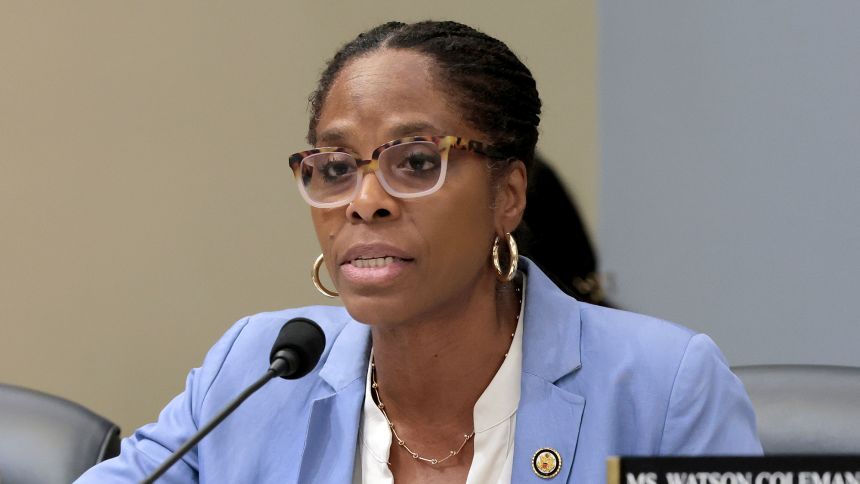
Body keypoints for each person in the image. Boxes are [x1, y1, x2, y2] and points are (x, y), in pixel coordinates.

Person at [76, 20, 761, 484]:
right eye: (336, 166)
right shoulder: (256, 369)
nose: (363, 200)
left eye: (414, 161)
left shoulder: (663, 388)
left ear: (508, 197)